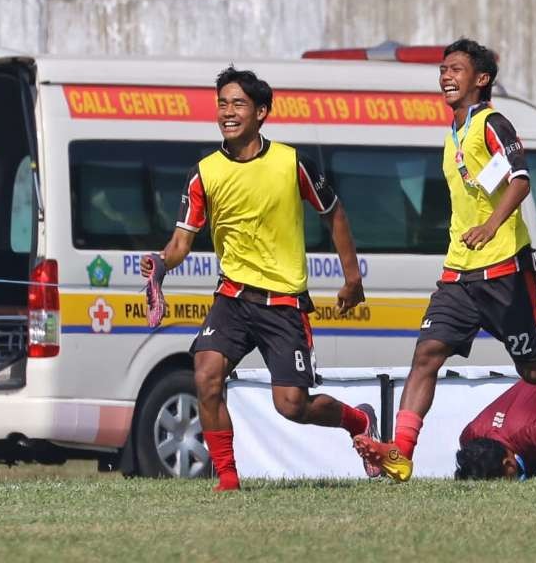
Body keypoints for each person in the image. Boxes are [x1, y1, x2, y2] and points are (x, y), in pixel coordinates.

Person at [353, 38, 536, 482]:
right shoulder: (453, 132)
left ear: (481, 80)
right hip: (459, 273)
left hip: (505, 269)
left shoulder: (492, 123)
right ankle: (401, 453)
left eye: (456, 69)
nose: (446, 76)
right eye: (443, 69)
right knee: (426, 354)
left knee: (534, 368)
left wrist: (491, 226)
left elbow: (520, 181)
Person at [141, 66, 378, 490]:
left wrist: (351, 279)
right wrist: (160, 265)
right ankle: (228, 479)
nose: (227, 112)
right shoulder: (205, 173)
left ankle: (358, 419)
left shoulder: (291, 162)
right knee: (206, 374)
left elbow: (334, 213)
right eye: (222, 104)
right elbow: (180, 243)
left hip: (284, 303)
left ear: (262, 112)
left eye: (238, 104)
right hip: (232, 299)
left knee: (292, 405)